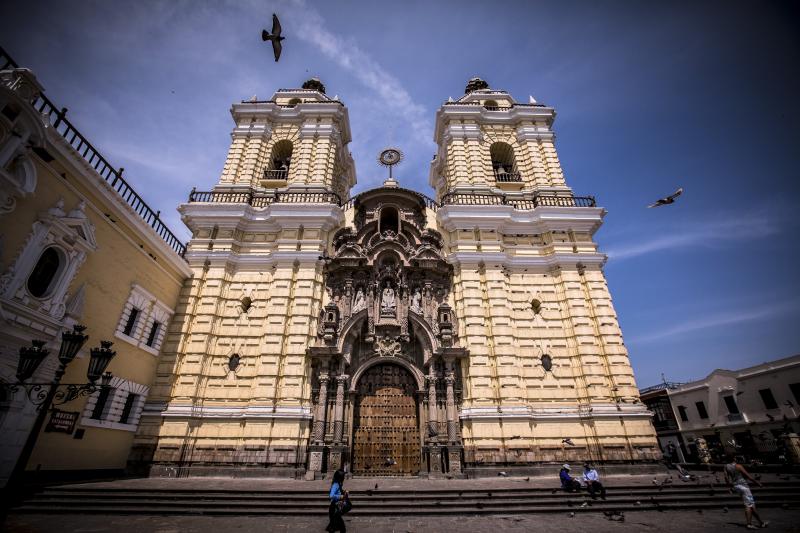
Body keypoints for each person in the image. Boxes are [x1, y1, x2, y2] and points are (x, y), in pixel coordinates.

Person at [724, 455, 768, 529]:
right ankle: (749, 524)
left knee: (751, 505)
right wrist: (758, 483)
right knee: (748, 505)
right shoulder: (739, 466)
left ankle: (761, 523)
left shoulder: (726, 466)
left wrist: (729, 487)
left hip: (736, 486)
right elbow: (749, 477)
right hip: (744, 487)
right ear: (734, 458)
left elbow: (726, 478)